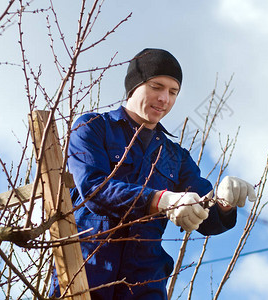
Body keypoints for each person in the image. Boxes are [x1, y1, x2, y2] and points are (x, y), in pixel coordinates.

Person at [50, 48, 256, 299]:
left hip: (144, 285)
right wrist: (162, 200)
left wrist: (223, 202)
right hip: (85, 273)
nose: (164, 99)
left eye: (173, 92)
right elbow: (95, 189)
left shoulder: (177, 157)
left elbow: (206, 216)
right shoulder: (93, 128)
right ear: (133, 87)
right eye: (156, 87)